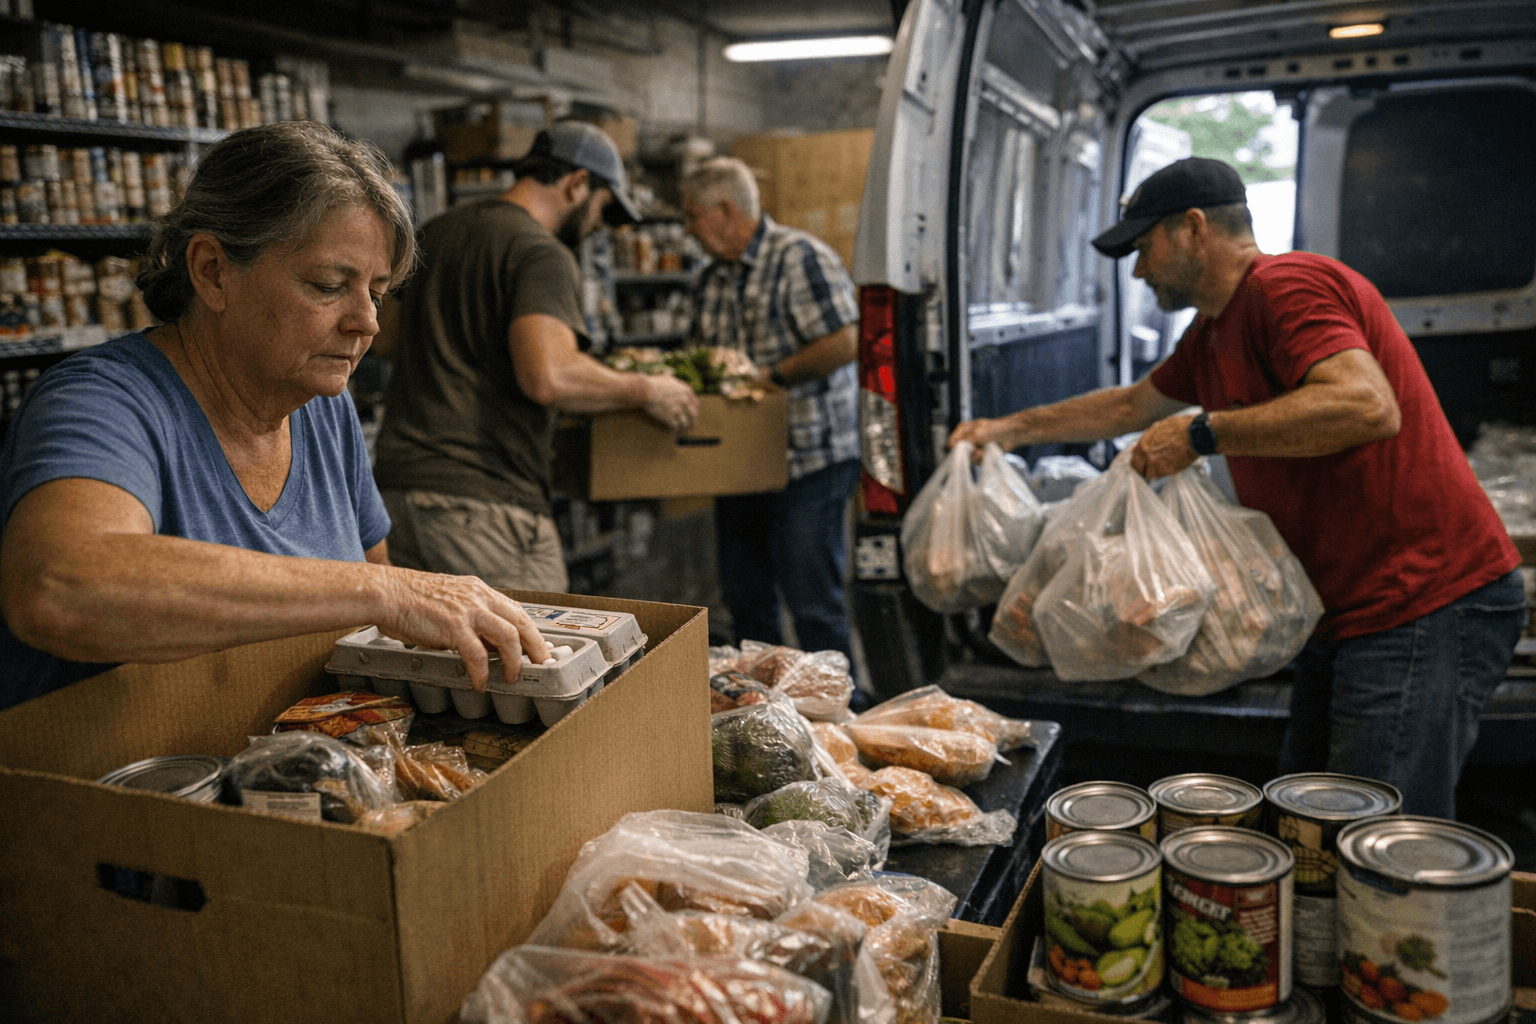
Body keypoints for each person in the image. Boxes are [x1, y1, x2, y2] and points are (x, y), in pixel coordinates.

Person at [950, 156, 1525, 819]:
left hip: (1424, 602)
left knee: (1375, 842)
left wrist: (1200, 434)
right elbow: (1130, 407)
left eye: (1144, 248)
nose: (1138, 270)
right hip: (1342, 611)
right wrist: (1007, 429)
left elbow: (1367, 406)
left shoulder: (1287, 288)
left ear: (1193, 229)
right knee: (1309, 829)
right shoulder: (1214, 329)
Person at [0, 122, 552, 712]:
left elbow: (373, 618)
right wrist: (388, 592)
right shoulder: (103, 402)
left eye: (377, 291)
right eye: (328, 285)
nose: (366, 323)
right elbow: (59, 587)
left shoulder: (322, 406)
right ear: (212, 270)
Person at [372, 121, 699, 592]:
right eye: (602, 212)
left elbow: (386, 340)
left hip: (399, 496)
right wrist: (648, 390)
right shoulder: (540, 252)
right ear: (578, 184)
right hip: (483, 509)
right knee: (537, 655)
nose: (596, 228)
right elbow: (549, 376)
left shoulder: (439, 232)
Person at [680, 157, 862, 663]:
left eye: (692, 216)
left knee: (812, 603)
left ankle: (836, 718)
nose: (688, 230)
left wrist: (772, 376)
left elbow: (845, 341)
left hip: (810, 461)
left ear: (723, 210)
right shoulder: (707, 280)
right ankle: (762, 721)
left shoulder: (799, 257)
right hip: (740, 467)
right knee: (747, 604)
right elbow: (699, 358)